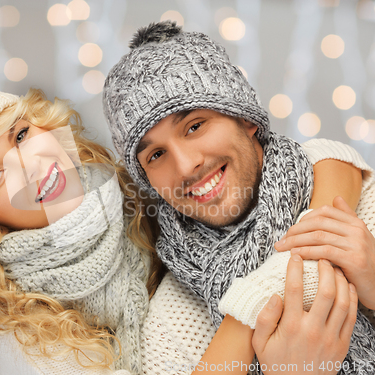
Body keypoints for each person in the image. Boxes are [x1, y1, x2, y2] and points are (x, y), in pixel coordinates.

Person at [0, 84, 363, 375]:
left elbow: (305, 160)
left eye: (21, 135)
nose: (31, 164)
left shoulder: (127, 184)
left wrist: (292, 261)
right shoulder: (23, 331)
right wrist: (261, 324)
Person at [102, 21, 375, 374]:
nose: (186, 166)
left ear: (246, 119)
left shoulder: (362, 213)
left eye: (195, 125)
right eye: (155, 155)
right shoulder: (171, 327)